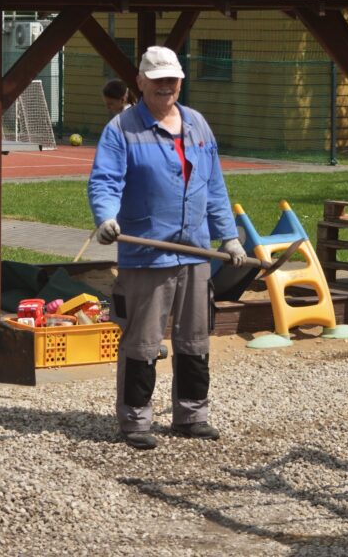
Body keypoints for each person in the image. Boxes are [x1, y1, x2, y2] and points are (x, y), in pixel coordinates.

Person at [88, 46, 246, 450]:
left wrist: (228, 236)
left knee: (195, 339)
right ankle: (135, 421)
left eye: (172, 79)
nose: (166, 86)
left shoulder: (197, 124)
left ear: (180, 81)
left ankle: (192, 415)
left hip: (196, 252)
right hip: (147, 254)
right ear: (140, 82)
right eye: (157, 80)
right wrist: (106, 218)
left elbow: (214, 185)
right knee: (141, 342)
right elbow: (105, 181)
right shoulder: (122, 129)